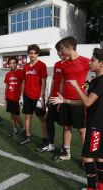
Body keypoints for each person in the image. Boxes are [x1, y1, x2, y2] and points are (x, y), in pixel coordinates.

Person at [50, 48, 103, 190]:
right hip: (95, 123)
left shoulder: (100, 82)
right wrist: (65, 101)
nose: (90, 62)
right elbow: (85, 101)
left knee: (87, 158)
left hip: (96, 125)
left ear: (101, 63)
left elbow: (87, 102)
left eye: (93, 60)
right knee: (98, 157)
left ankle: (92, 187)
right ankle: (100, 186)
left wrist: (76, 86)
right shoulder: (94, 80)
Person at [54, 36, 90, 162]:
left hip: (78, 101)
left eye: (62, 49)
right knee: (66, 127)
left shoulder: (86, 61)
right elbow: (63, 82)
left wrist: (84, 86)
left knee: (81, 130)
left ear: (69, 48)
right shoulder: (64, 64)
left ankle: (87, 157)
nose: (61, 52)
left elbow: (95, 75)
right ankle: (66, 153)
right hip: (65, 100)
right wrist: (61, 98)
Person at [39, 42, 69, 152]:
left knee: (66, 125)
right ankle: (51, 144)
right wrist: (49, 96)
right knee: (49, 119)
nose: (59, 53)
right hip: (53, 98)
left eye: (61, 50)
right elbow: (53, 81)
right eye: (58, 51)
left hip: (65, 100)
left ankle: (65, 147)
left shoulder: (72, 64)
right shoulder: (57, 64)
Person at [20, 44, 48, 146]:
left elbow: (44, 81)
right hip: (27, 96)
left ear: (38, 54)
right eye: (30, 53)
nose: (32, 55)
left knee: (42, 118)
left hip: (37, 97)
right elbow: (23, 81)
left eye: (34, 53)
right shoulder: (26, 66)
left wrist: (41, 96)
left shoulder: (42, 65)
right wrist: (21, 96)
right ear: (28, 54)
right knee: (27, 117)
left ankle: (45, 139)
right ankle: (28, 137)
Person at [4, 57, 24, 137]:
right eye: (10, 63)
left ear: (17, 63)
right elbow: (7, 86)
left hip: (17, 98)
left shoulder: (20, 72)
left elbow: (23, 84)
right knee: (12, 114)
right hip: (9, 97)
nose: (12, 65)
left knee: (16, 115)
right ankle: (14, 130)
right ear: (8, 64)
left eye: (14, 63)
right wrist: (5, 98)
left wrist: (22, 96)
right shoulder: (7, 74)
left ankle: (24, 129)